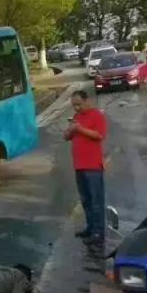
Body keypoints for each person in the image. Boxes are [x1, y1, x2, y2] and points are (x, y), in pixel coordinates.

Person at [64, 91, 107, 247]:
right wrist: (69, 130)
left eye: (78, 104)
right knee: (86, 200)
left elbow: (99, 135)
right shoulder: (76, 118)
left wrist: (79, 129)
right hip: (79, 166)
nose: (76, 108)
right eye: (73, 105)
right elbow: (67, 137)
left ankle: (98, 232)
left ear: (86, 101)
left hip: (93, 166)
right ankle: (90, 227)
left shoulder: (97, 115)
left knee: (96, 200)